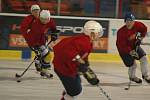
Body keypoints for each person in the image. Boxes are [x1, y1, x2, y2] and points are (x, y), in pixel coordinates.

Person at [51, 20, 103, 100]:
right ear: (92, 33)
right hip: (63, 68)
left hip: (68, 66)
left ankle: (67, 93)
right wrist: (80, 62)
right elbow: (67, 51)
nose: (99, 35)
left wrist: (87, 69)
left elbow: (83, 56)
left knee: (77, 86)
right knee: (75, 91)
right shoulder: (83, 42)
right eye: (98, 33)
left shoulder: (88, 42)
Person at [20, 9, 59, 78]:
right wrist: (36, 48)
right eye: (43, 19)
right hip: (34, 42)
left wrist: (55, 34)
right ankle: (44, 71)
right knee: (48, 56)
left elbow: (54, 29)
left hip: (42, 41)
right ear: (40, 17)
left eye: (47, 19)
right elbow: (31, 39)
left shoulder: (49, 21)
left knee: (43, 55)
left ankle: (39, 64)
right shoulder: (36, 25)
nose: (45, 21)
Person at [116, 12, 150, 84]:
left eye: (131, 21)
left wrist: (140, 38)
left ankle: (146, 76)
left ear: (134, 21)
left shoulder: (138, 25)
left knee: (144, 58)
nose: (130, 23)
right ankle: (132, 77)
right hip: (124, 51)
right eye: (128, 21)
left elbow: (144, 29)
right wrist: (131, 52)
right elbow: (121, 46)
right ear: (125, 21)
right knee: (132, 64)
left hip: (134, 46)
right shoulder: (121, 32)